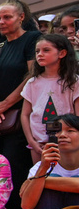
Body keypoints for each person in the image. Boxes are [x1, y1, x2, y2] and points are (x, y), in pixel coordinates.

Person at [0, 0, 39, 209]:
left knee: (15, 168)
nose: (1, 22)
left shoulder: (31, 40)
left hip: (20, 117)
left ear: (21, 17)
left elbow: (31, 76)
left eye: (7, 17)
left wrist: (5, 104)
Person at [21, 34, 79, 164]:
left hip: (66, 142)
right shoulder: (32, 82)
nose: (40, 54)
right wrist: (31, 141)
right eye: (37, 51)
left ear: (62, 53)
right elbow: (25, 114)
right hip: (39, 143)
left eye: (46, 50)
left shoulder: (73, 81)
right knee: (41, 178)